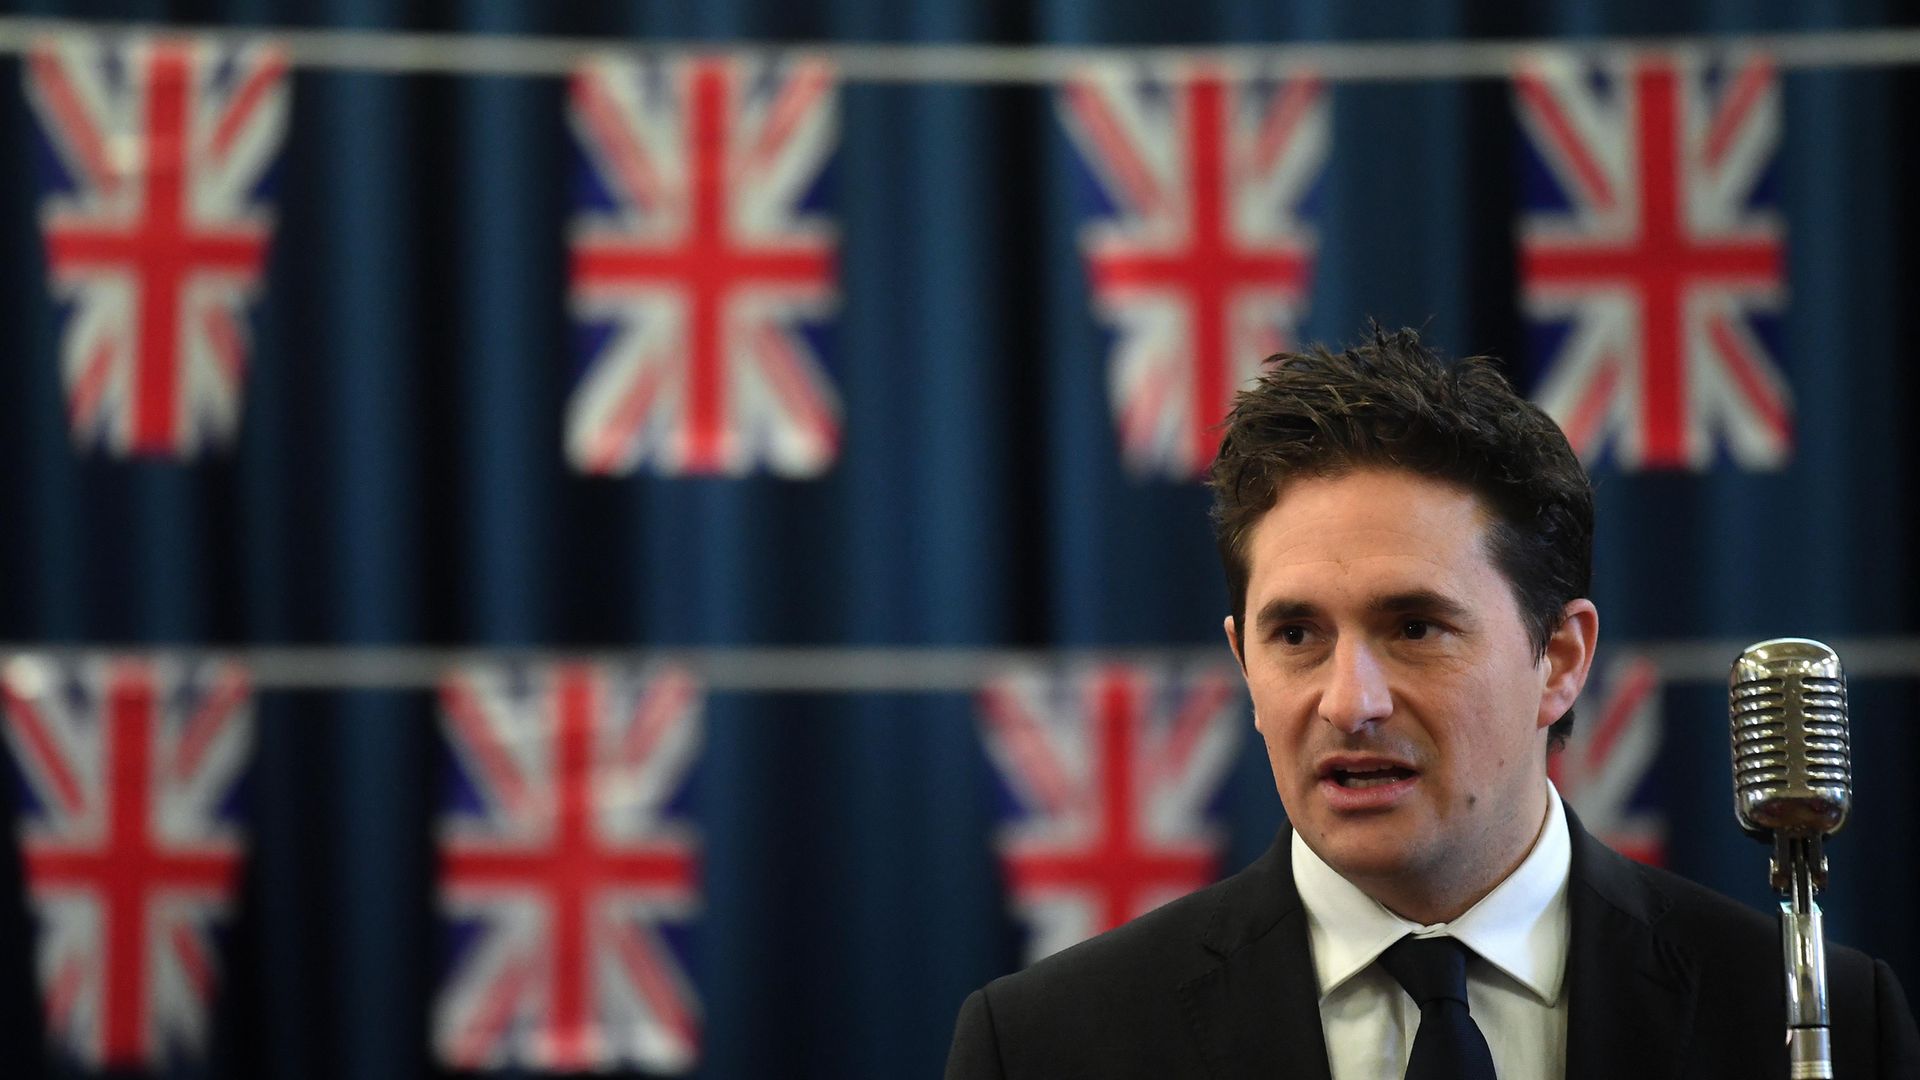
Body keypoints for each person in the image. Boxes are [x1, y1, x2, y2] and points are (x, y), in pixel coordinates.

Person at [944, 329, 1920, 1079]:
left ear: (1561, 658)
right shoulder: (1045, 1046)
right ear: (1244, 664)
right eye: (1296, 636)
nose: (1349, 701)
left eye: (1414, 627)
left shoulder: (1809, 1016)